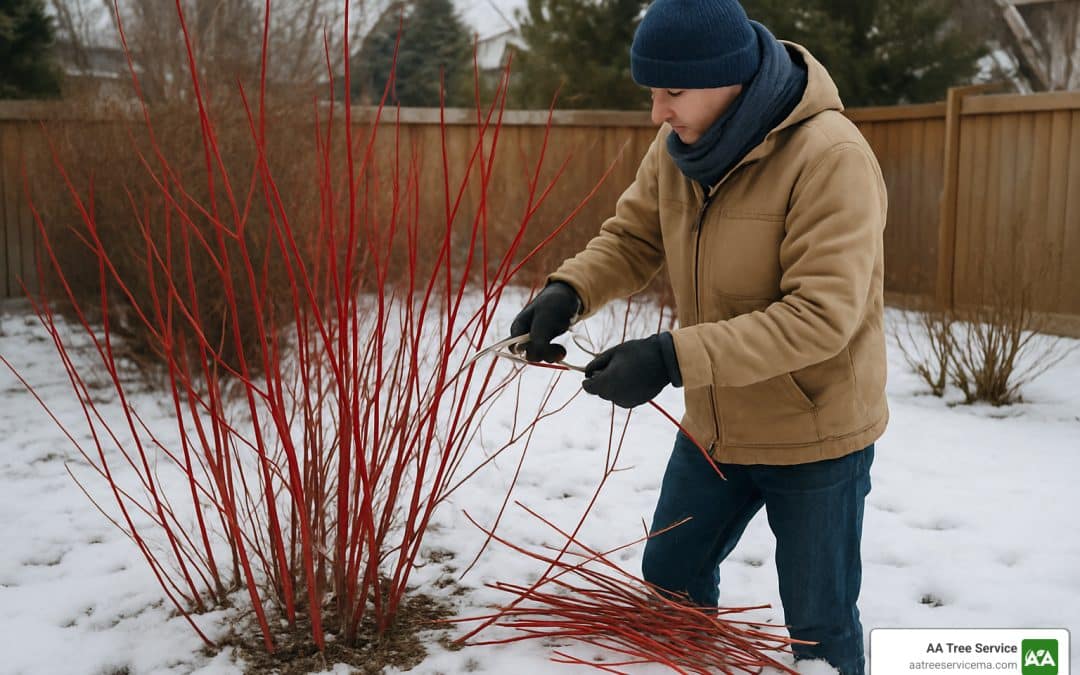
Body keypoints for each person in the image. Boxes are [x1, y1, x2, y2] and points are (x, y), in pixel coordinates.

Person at [508, 0, 888, 673]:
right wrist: (569, 293)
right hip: (716, 423)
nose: (658, 112)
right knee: (670, 581)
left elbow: (820, 317)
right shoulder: (679, 148)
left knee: (819, 628)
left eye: (672, 92)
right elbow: (632, 237)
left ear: (730, 77)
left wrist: (668, 356)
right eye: (653, 91)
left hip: (813, 432)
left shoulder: (830, 158)